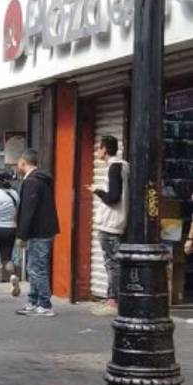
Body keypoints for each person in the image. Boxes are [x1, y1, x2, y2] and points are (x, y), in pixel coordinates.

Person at [15, 148, 60, 317]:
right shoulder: (41, 180)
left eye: (19, 162)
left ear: (23, 163)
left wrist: (22, 234)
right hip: (44, 229)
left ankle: (45, 304)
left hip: (38, 231)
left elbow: (28, 210)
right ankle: (33, 301)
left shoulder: (32, 182)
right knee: (33, 267)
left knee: (37, 268)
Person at [88, 135, 129, 317]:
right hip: (118, 221)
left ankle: (113, 301)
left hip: (111, 223)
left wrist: (96, 190)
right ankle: (112, 299)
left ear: (104, 149)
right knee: (114, 262)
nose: (97, 152)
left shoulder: (114, 167)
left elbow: (113, 197)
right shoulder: (125, 166)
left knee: (112, 263)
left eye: (99, 148)